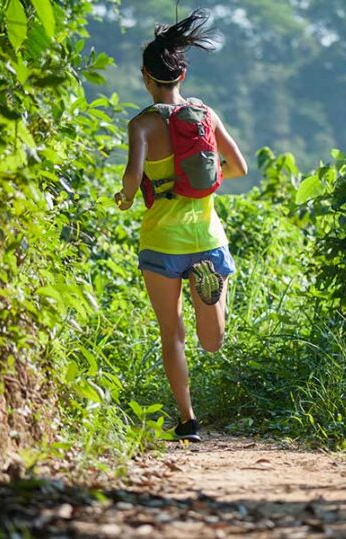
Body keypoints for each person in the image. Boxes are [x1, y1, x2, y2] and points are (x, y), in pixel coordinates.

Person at [114, 9, 248, 443]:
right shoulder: (205, 115)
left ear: (145, 77)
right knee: (213, 341)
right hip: (207, 237)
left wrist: (127, 196)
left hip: (160, 243)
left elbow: (133, 180)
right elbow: (240, 167)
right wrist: (203, 177)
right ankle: (211, 291)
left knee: (171, 334)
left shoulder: (141, 125)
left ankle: (187, 421)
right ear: (182, 73)